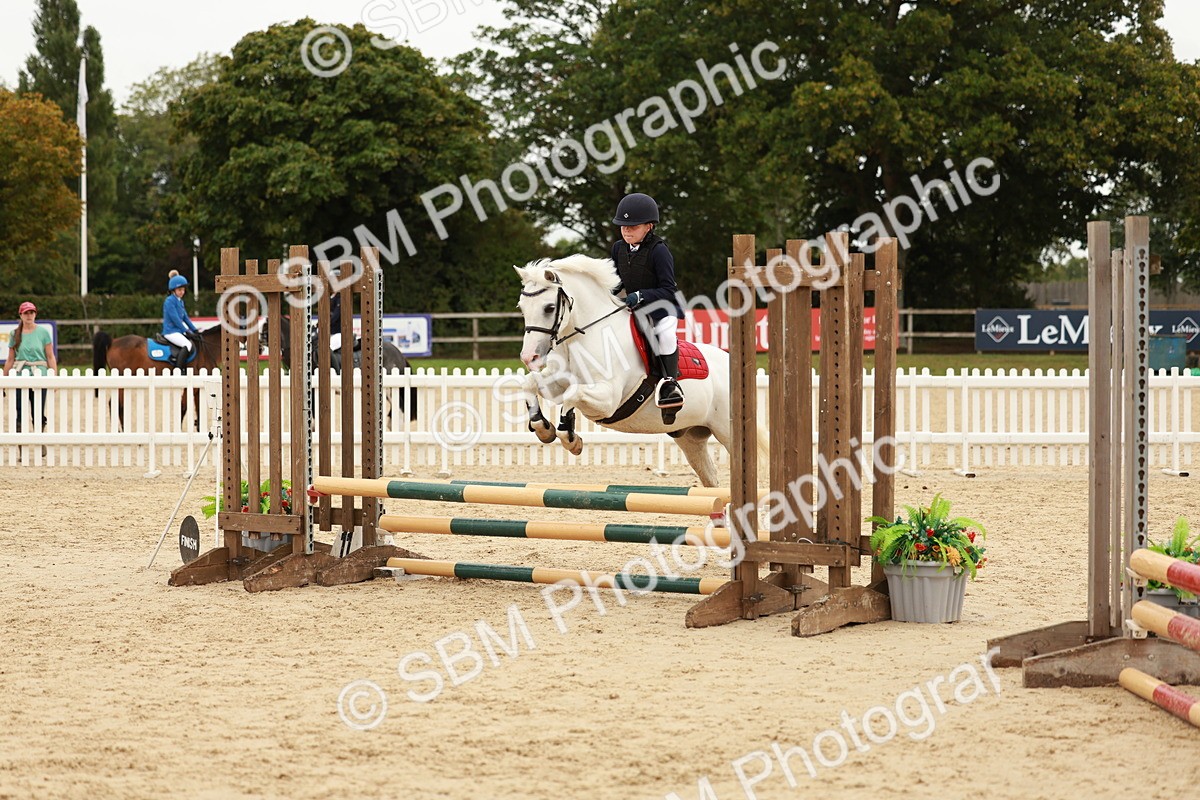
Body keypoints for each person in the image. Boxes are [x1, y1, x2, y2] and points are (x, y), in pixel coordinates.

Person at [610, 192, 685, 408]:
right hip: (635, 306)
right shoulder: (618, 248)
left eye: (632, 226)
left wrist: (641, 295)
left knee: (665, 335)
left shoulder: (659, 251)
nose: (626, 230)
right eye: (623, 226)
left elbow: (668, 289)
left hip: (662, 306)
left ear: (649, 226)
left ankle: (671, 384)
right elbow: (617, 280)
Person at [2, 301, 57, 438]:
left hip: (40, 375)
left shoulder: (43, 332)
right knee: (19, 410)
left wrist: (54, 376)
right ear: (21, 315)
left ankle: (40, 438)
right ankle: (20, 441)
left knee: (38, 410)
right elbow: (10, 359)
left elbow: (50, 356)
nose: (29, 315)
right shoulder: (14, 334)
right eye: (26, 313)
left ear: (35, 314)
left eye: (31, 312)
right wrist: (4, 378)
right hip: (21, 375)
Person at [162, 270, 199, 370]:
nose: (182, 292)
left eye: (183, 290)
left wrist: (195, 330)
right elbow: (176, 319)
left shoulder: (180, 302)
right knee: (187, 344)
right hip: (170, 331)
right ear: (173, 290)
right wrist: (186, 331)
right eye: (179, 290)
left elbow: (185, 318)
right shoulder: (169, 301)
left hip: (177, 331)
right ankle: (179, 369)